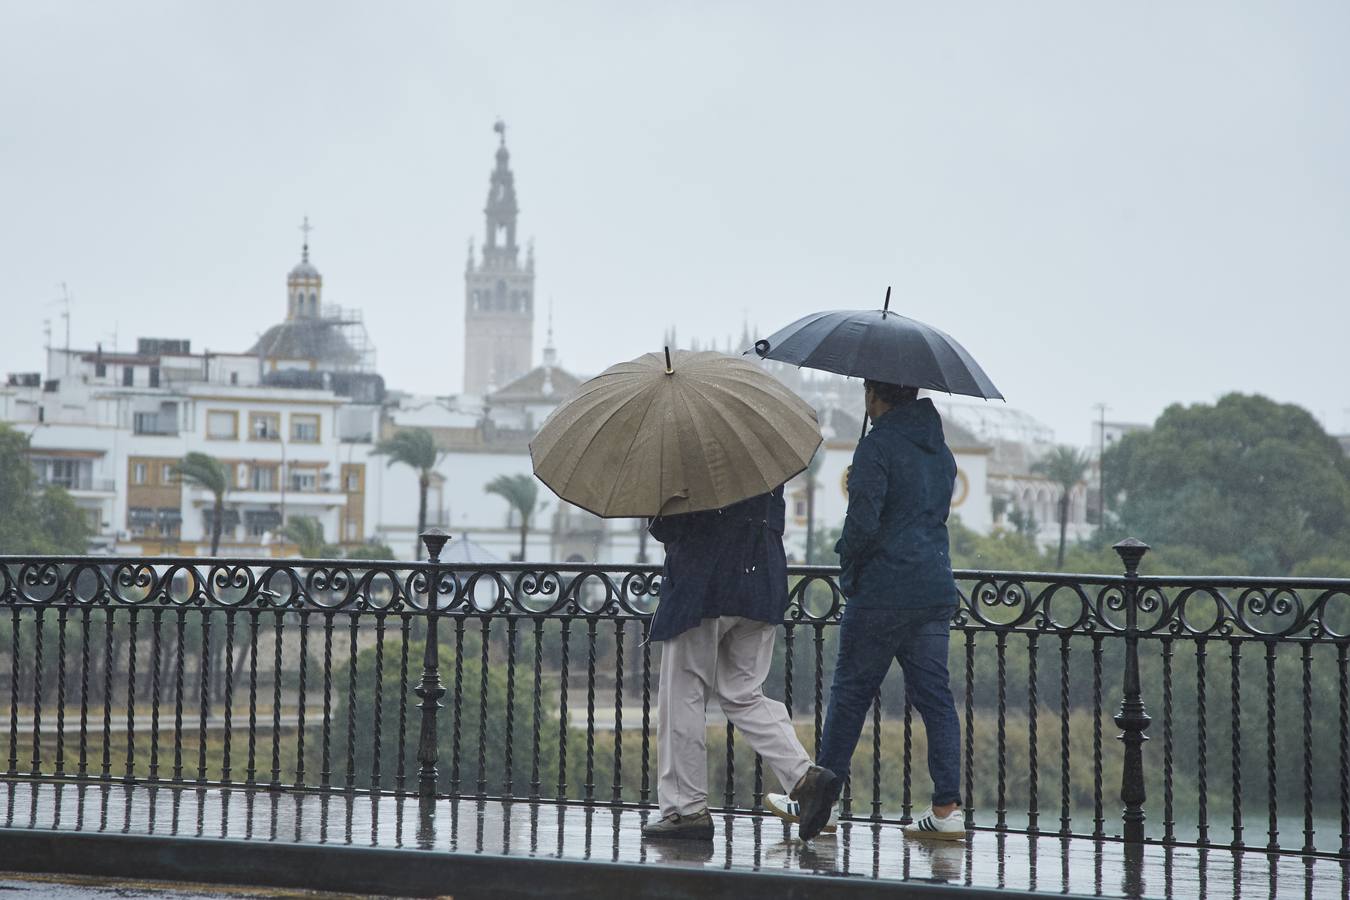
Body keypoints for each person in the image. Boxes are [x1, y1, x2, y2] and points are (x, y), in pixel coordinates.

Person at [767, 380, 966, 841]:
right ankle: (946, 810)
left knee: (851, 696)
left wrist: (849, 564)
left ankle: (819, 809)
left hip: (881, 592)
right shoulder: (942, 452)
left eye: (867, 394)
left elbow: (863, 524)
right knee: (936, 700)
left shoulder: (877, 446)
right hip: (933, 588)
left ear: (875, 396)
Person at [640, 485, 835, 840]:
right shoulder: (762, 453)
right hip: (762, 580)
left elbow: (671, 526)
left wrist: (654, 513)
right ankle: (805, 777)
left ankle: (687, 810)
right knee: (743, 693)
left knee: (683, 693)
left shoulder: (689, 450)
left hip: (703, 585)